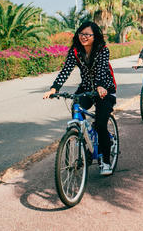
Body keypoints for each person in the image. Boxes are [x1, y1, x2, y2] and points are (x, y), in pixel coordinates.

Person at [43, 21, 117, 176]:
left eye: (88, 34)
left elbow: (103, 69)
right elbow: (66, 70)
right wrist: (54, 88)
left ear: (95, 36)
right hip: (86, 89)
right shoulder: (75, 51)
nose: (84, 37)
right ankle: (85, 142)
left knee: (101, 123)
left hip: (105, 89)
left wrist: (101, 86)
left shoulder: (102, 50)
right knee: (76, 108)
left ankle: (105, 160)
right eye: (81, 34)